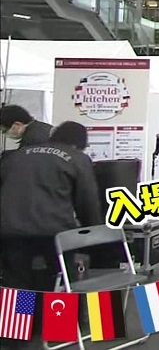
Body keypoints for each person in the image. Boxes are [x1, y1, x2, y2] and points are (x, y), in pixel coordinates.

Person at [0, 121, 101, 345]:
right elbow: (87, 200)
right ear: (78, 143)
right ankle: (59, 328)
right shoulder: (77, 158)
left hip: (10, 229)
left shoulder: (14, 156)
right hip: (54, 232)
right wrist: (93, 230)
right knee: (63, 276)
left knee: (17, 280)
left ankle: (14, 335)